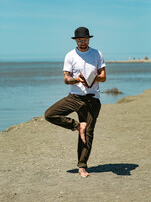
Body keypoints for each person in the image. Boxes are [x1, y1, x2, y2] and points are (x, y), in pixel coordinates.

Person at [44, 27, 106, 177]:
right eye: (80, 40)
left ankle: (82, 166)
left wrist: (94, 77)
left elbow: (103, 76)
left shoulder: (97, 54)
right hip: (74, 97)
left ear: (89, 39)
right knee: (49, 114)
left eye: (85, 40)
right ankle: (77, 126)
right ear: (75, 40)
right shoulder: (70, 56)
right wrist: (76, 79)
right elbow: (66, 79)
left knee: (89, 133)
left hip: (92, 98)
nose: (83, 42)